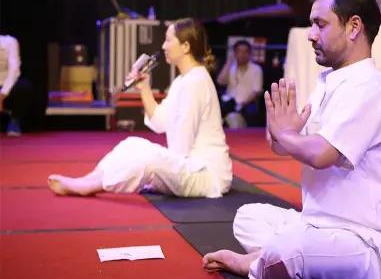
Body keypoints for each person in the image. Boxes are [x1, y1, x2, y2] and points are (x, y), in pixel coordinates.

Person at [202, 0, 381, 279]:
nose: (311, 34)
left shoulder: (371, 88)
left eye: (320, 24)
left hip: (366, 243)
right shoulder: (330, 81)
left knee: (288, 251)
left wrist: (286, 134)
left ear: (353, 27)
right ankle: (282, 268)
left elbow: (321, 154)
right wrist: (281, 134)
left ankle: (254, 265)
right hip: (317, 224)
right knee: (247, 217)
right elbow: (291, 145)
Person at [47, 18, 233, 198]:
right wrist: (144, 88)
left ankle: (91, 186)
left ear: (185, 46)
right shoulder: (182, 81)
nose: (163, 46)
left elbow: (181, 146)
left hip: (206, 176)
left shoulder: (196, 82)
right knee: (132, 144)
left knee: (148, 157)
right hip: (190, 167)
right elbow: (160, 122)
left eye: (168, 40)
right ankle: (88, 180)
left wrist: (162, 169)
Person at [216, 39, 263, 128]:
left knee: (252, 114)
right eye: (239, 51)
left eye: (245, 52)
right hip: (229, 103)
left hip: (247, 104)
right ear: (235, 53)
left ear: (250, 54)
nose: (242, 54)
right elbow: (220, 82)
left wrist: (241, 104)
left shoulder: (256, 69)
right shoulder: (230, 67)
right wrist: (228, 63)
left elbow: (256, 91)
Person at [0, 34, 32, 136]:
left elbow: (14, 70)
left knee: (24, 86)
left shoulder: (9, 41)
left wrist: (1, 95)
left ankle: (15, 120)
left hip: (7, 84)